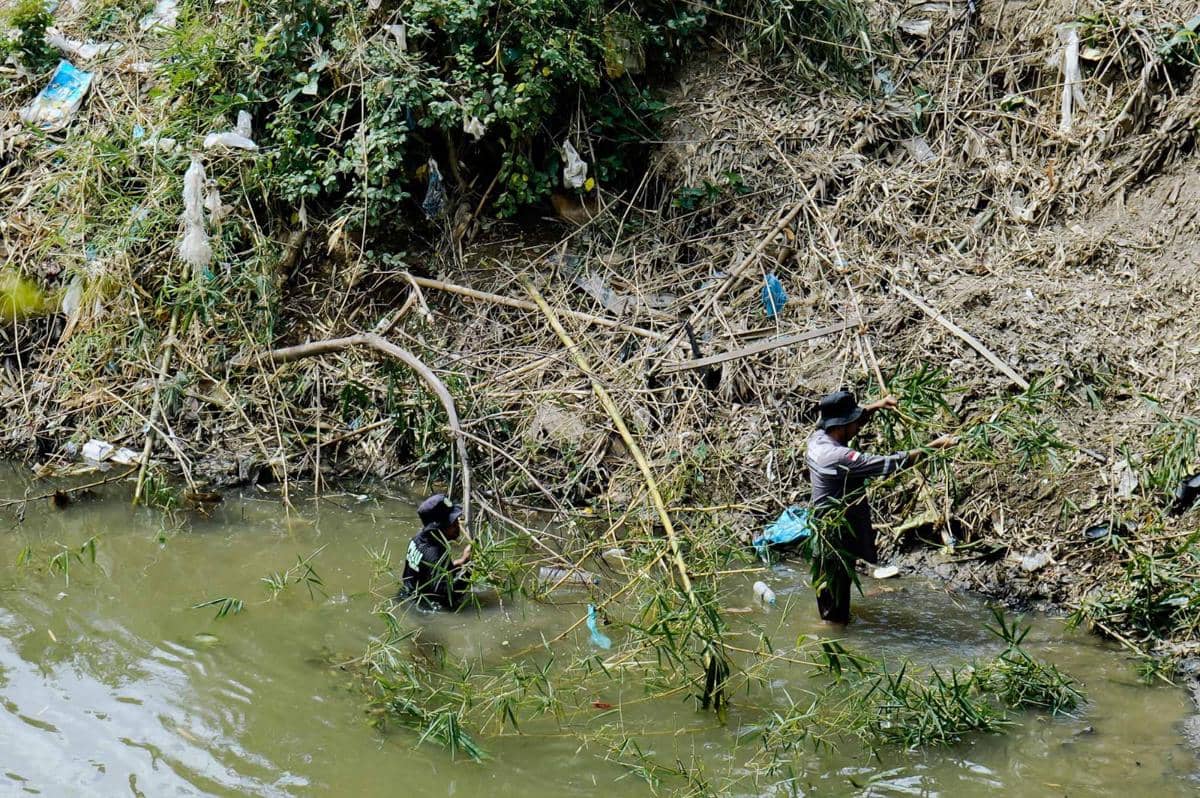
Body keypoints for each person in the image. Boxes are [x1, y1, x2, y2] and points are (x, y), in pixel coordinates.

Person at [805, 390, 956, 624]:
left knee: (831, 598)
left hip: (825, 533)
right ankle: (831, 639)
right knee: (835, 616)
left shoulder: (816, 440)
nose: (859, 427)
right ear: (842, 425)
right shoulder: (839, 457)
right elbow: (892, 463)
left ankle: (831, 628)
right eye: (854, 422)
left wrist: (878, 405)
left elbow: (854, 421)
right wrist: (935, 446)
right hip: (835, 541)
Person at [400, 493, 472, 609]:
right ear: (438, 527)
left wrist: (462, 561)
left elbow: (431, 572)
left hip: (409, 595)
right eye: (452, 523)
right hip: (422, 605)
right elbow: (449, 597)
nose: (458, 525)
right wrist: (469, 569)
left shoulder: (418, 538)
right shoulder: (435, 552)